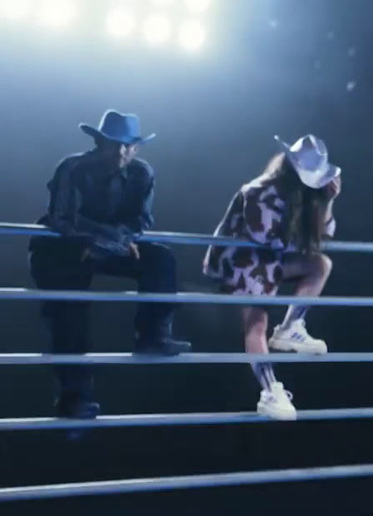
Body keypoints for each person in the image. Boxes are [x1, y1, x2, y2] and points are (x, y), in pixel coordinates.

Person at [28, 110, 190, 423]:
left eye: (128, 146)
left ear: (137, 148)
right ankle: (74, 400)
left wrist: (111, 241)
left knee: (160, 257)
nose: (120, 152)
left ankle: (153, 334)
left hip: (105, 245)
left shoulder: (142, 173)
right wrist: (104, 238)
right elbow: (64, 218)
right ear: (99, 142)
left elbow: (139, 221)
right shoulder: (73, 167)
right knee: (69, 316)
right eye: (114, 144)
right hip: (58, 250)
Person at [202, 135, 340, 420]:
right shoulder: (259, 191)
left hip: (270, 257)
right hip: (239, 259)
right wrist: (299, 241)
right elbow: (263, 238)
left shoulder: (303, 194)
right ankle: (269, 390)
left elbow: (324, 235)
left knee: (319, 264)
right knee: (256, 321)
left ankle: (291, 327)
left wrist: (328, 201)